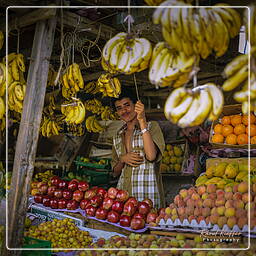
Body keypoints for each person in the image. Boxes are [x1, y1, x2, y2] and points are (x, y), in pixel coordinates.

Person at [111, 89, 165, 208]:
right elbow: (115, 172)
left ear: (136, 106)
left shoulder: (152, 127)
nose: (124, 111)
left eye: (127, 105)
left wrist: (142, 121)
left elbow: (151, 156)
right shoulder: (117, 135)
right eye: (119, 108)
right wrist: (122, 159)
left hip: (146, 195)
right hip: (123, 197)